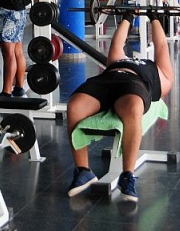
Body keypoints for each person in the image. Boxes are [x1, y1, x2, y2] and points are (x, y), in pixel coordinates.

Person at [65, 11, 174, 202]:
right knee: (74, 106)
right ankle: (83, 171)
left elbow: (162, 46)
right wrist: (128, 17)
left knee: (132, 109)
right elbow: (117, 43)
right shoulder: (118, 59)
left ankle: (127, 175)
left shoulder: (162, 75)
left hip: (135, 83)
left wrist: (154, 17)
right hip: (106, 79)